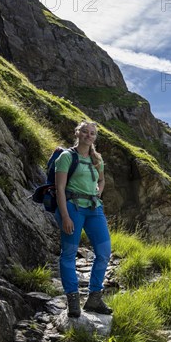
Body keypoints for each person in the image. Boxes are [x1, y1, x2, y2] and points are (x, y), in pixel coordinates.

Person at [55, 121, 112, 317]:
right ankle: (72, 299)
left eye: (93, 133)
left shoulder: (97, 159)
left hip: (94, 209)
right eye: (85, 132)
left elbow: (102, 179)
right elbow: (59, 189)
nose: (89, 136)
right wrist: (65, 216)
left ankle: (94, 298)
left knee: (104, 252)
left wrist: (98, 192)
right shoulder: (66, 157)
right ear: (78, 133)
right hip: (73, 208)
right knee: (69, 253)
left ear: (95, 137)